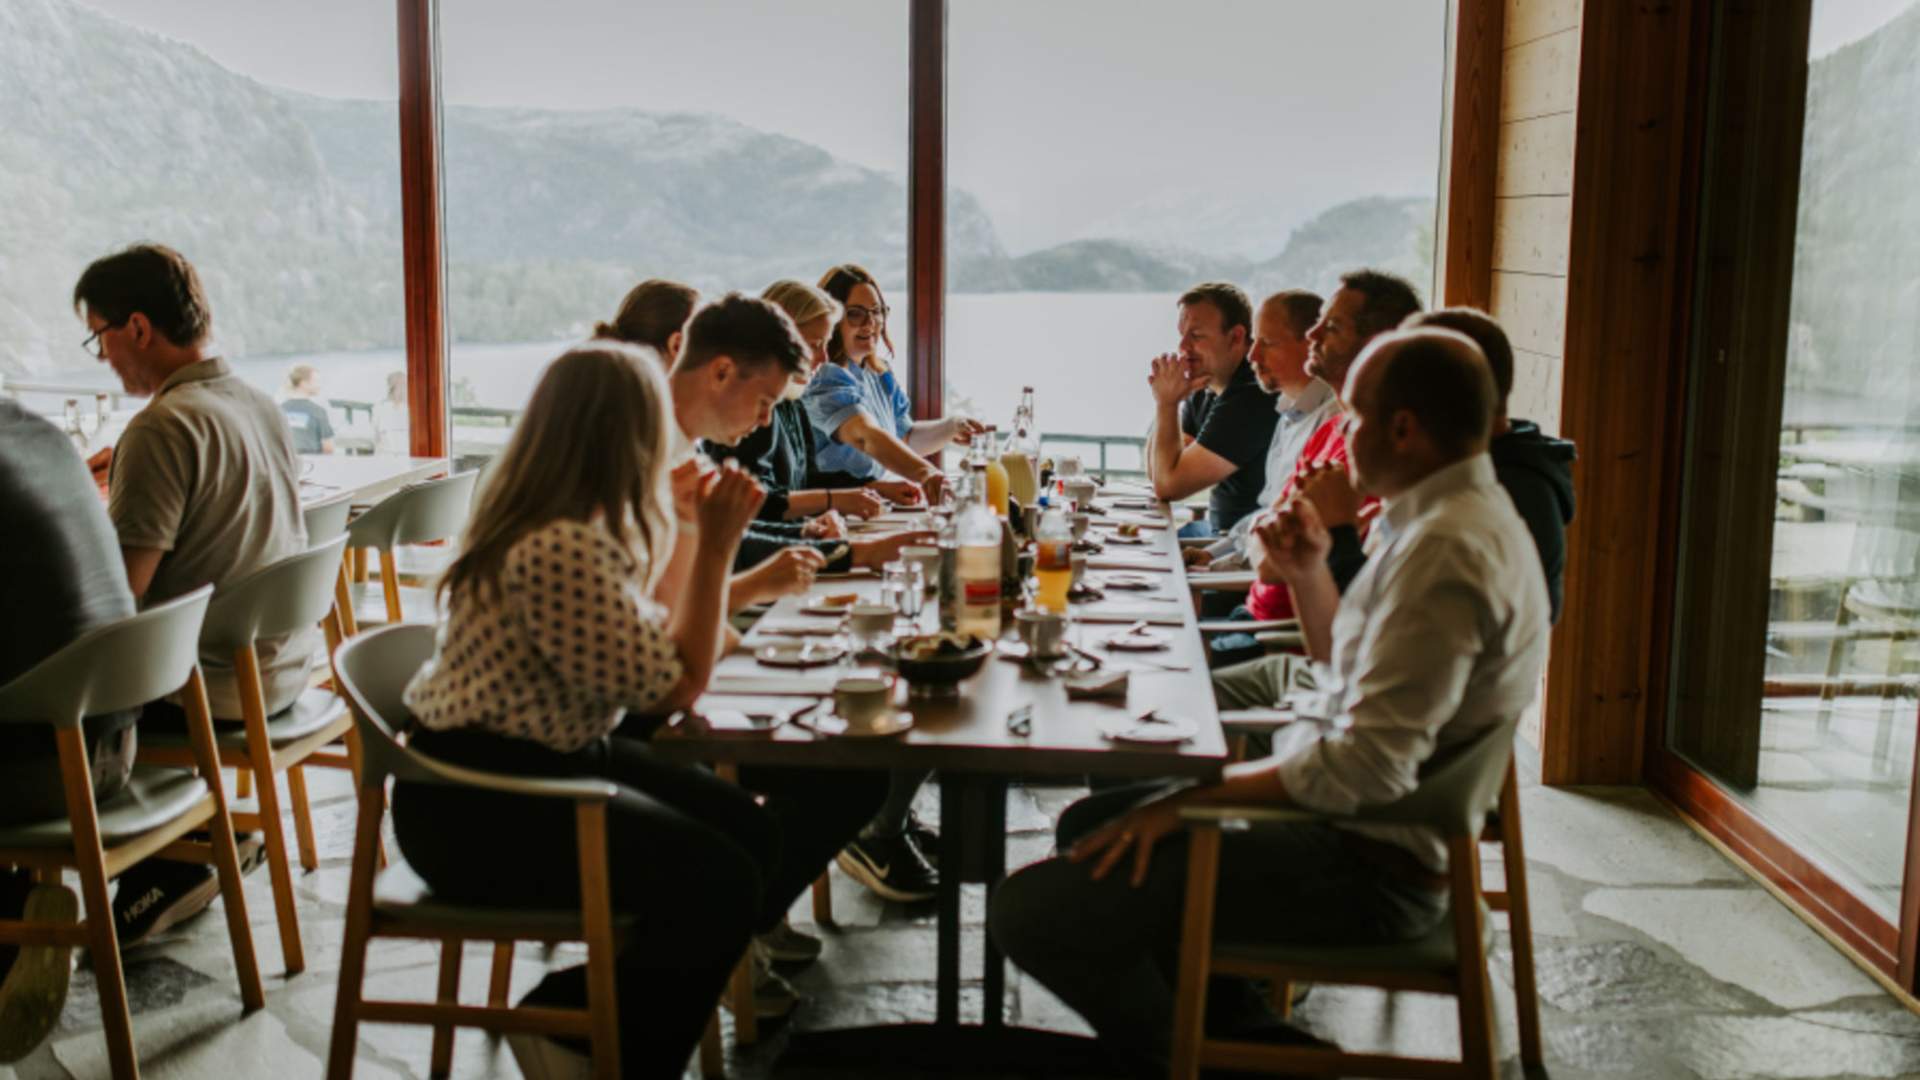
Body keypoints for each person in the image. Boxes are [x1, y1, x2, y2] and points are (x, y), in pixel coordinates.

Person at [989, 328, 1551, 1074]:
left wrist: (1192, 803)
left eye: (1352, 420)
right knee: (1098, 823)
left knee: (1031, 910)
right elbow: (1343, 684)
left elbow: (1364, 771)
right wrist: (1311, 573)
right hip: (1353, 832)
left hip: (1366, 873)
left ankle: (1202, 1061)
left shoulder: (1448, 551)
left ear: (1405, 429)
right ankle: (1255, 1044)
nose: (1341, 441)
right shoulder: (1438, 518)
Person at [396, 341, 781, 1078]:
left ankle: (597, 1014)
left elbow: (659, 655)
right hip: (475, 807)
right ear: (621, 436)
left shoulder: (578, 524)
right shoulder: (560, 544)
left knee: (752, 836)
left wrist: (691, 532)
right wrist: (714, 546)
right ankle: (574, 1029)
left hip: (538, 761)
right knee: (721, 881)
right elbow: (676, 686)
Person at [645, 295, 894, 1003]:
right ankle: (726, 937)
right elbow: (676, 652)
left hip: (660, 678)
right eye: (763, 403)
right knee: (822, 775)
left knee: (852, 766)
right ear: (721, 370)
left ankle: (741, 927)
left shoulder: (682, 450)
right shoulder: (653, 458)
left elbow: (692, 605)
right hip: (626, 719)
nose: (764, 422)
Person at [77, 243, 303, 945]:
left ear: (138, 328)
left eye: (99, 337)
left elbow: (120, 602)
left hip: (207, 688)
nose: (104, 358)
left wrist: (86, 513)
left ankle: (156, 856)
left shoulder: (160, 427)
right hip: (280, 668)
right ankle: (189, 849)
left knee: (41, 693)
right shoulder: (258, 403)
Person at [1213, 306, 1577, 714]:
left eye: (1357, 414)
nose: (1342, 427)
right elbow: (1346, 665)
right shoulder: (1425, 493)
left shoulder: (1457, 530)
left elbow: (1371, 726)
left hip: (1328, 696)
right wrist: (1309, 569)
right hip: (1323, 676)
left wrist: (1340, 537)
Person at [598, 282, 928, 589]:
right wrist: (851, 552)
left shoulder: (669, 437)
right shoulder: (648, 444)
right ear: (682, 347)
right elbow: (722, 550)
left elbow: (728, 535)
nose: (765, 418)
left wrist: (817, 535)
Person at [0, 400, 137, 1062]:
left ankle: (13, 931)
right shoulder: (41, 433)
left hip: (39, 769)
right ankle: (19, 912)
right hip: (117, 743)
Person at [1240, 268, 1423, 623]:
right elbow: (1267, 535)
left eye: (1332, 327)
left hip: (1287, 637)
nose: (1312, 334)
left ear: (1376, 345)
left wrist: (1268, 538)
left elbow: (1274, 561)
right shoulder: (1331, 429)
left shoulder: (1378, 454)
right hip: (1254, 613)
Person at [803, 264, 983, 505]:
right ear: (833, 319)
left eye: (877, 311)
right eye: (856, 313)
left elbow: (904, 439)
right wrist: (927, 474)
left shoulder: (879, 375)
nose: (871, 323)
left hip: (869, 504)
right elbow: (866, 436)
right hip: (834, 509)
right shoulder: (825, 379)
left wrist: (952, 426)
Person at [1185, 289, 1333, 572]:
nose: (1252, 355)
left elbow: (1289, 539)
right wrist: (1213, 554)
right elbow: (1266, 515)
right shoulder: (1289, 411)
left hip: (1259, 584)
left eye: (1267, 342)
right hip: (1236, 552)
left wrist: (1215, 567)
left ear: (1311, 344)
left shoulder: (1329, 422)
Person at [1145, 282, 1280, 535]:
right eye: (1181, 334)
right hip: (1217, 533)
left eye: (1196, 336)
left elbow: (1169, 486)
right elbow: (1157, 471)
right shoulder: (1206, 386)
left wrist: (1167, 403)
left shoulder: (1252, 395)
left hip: (1240, 546)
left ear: (1236, 337)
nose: (1183, 347)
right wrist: (1168, 402)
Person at [279, 363, 335, 454]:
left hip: (287, 462)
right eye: (316, 382)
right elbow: (328, 448)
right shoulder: (318, 411)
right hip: (313, 464)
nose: (319, 385)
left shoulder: (279, 410)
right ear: (303, 383)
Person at [371, 370, 409, 455]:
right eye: (401, 385)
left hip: (405, 454)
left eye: (405, 385)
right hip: (385, 455)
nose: (404, 389)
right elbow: (375, 435)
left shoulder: (410, 408)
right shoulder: (380, 407)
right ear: (392, 387)